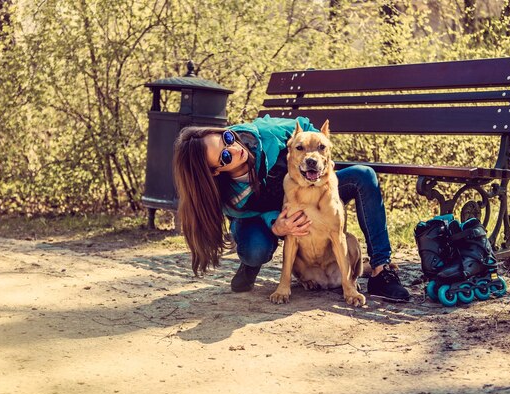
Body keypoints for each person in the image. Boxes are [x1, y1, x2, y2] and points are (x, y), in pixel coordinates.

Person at [172, 115, 410, 302]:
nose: (235, 148)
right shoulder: (224, 193)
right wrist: (275, 223)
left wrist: (319, 154)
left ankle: (381, 269)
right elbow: (243, 213)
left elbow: (305, 129)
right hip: (265, 216)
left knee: (363, 175)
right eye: (225, 156)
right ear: (214, 171)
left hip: (305, 188)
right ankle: (251, 263)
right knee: (256, 248)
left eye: (227, 139)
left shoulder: (265, 134)